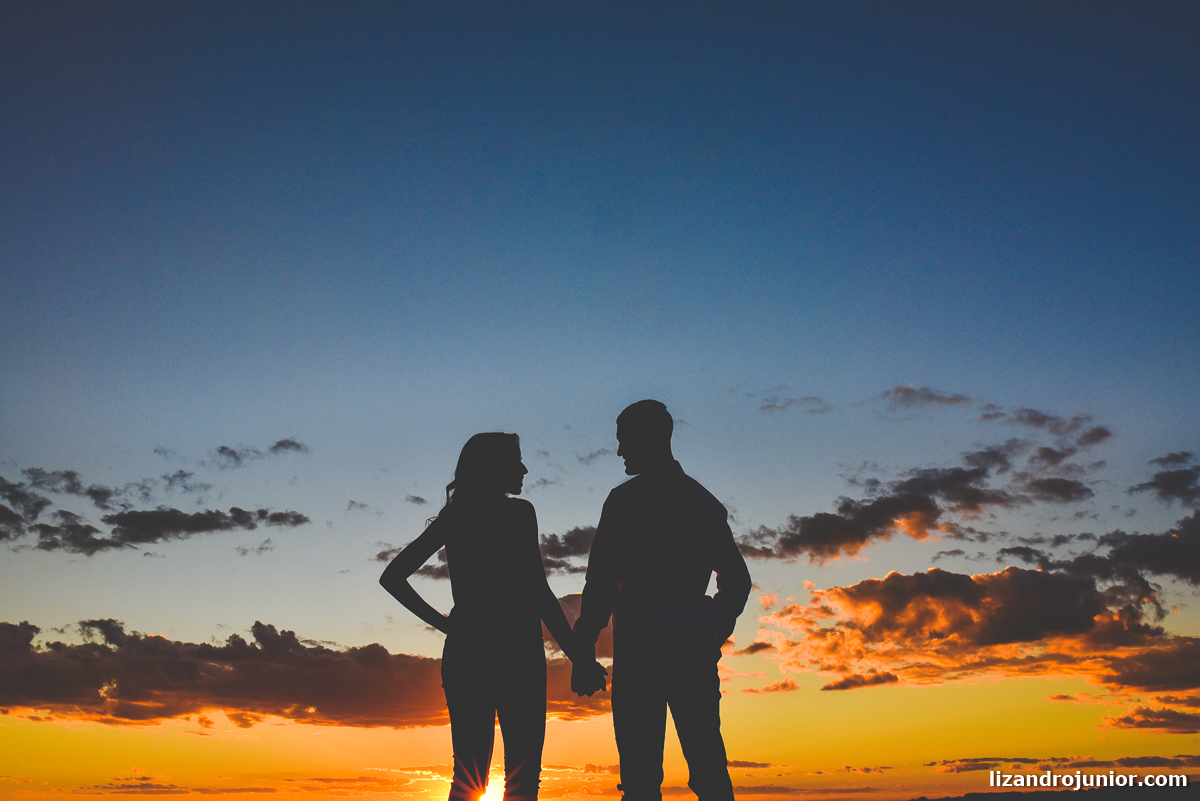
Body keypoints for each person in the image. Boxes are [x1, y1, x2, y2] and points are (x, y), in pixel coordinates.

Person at [380, 433, 607, 801]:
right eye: (516, 460)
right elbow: (540, 594)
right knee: (522, 781)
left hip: (468, 652)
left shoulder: (456, 516)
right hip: (518, 654)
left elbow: (392, 577)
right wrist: (578, 657)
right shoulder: (519, 513)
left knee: (468, 779)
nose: (524, 468)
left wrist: (448, 625)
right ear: (493, 467)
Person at [571, 400, 752, 801]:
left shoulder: (623, 500)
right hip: (693, 654)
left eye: (622, 441)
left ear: (644, 438)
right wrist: (710, 630)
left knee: (639, 779)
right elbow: (737, 580)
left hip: (639, 655)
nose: (618, 452)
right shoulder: (704, 502)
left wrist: (583, 650)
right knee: (709, 773)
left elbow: (600, 585)